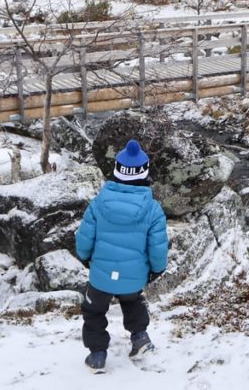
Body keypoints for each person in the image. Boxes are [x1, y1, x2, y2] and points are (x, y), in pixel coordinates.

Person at [75, 139, 168, 373]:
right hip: (134, 274)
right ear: (143, 173)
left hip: (101, 274)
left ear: (117, 171)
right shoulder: (152, 208)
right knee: (133, 301)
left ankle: (97, 356)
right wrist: (157, 269)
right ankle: (140, 339)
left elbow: (84, 238)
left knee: (94, 311)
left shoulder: (98, 203)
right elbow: (157, 246)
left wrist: (85, 256)